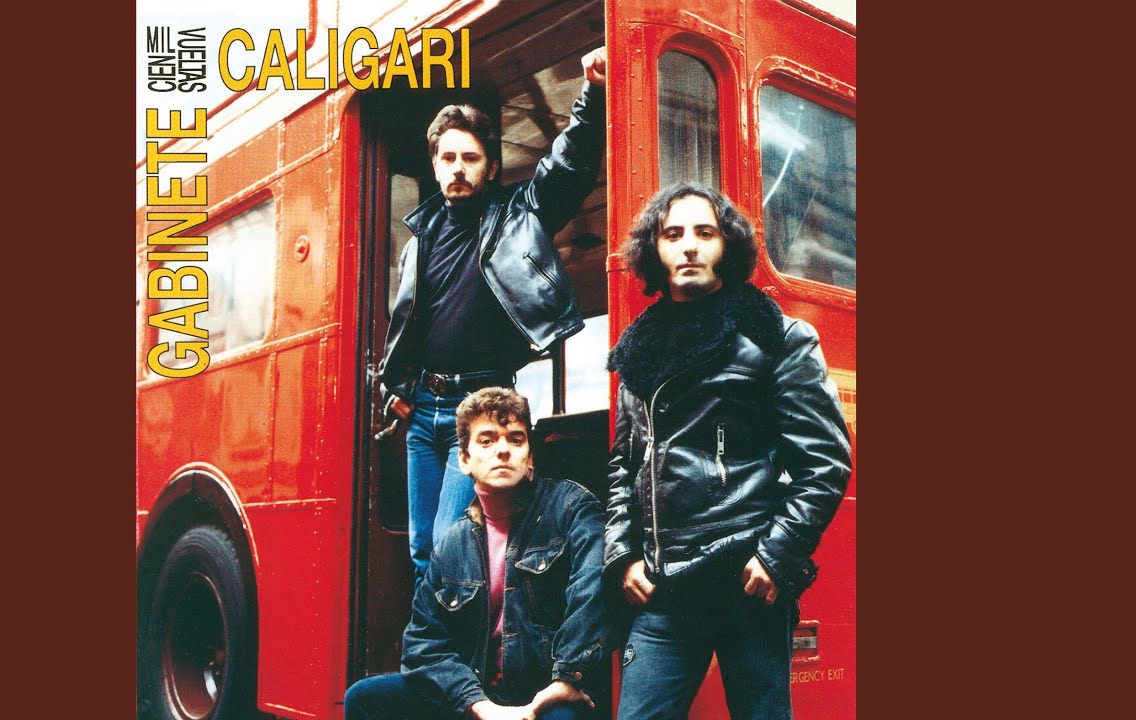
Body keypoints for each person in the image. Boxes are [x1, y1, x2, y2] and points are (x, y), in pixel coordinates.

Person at [603, 183, 851, 719]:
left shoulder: (778, 337)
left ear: (727, 245)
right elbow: (624, 464)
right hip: (664, 589)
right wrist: (622, 555)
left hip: (747, 582)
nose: (689, 246)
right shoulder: (637, 350)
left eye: (705, 232)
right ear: (654, 250)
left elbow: (825, 462)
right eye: (673, 234)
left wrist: (777, 555)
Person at [379, 47, 608, 583]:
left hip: (480, 404)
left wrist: (593, 94)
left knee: (451, 540)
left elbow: (567, 169)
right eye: (448, 158)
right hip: (424, 410)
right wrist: (395, 386)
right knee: (421, 548)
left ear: (491, 168)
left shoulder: (517, 215)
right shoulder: (419, 241)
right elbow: (407, 328)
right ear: (435, 166)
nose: (458, 168)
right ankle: (432, 640)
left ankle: (471, 641)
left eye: (471, 158)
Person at [346, 387, 608, 720]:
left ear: (530, 458)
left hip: (549, 690)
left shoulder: (571, 508)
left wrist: (567, 678)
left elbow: (593, 593)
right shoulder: (453, 543)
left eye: (515, 439)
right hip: (480, 694)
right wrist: (478, 706)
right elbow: (422, 645)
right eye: (487, 440)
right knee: (364, 698)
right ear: (464, 460)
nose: (503, 450)